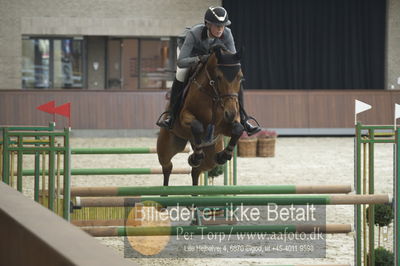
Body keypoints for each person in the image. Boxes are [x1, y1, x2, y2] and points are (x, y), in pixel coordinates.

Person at [157, 6, 261, 136]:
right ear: (207, 24)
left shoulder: (227, 33)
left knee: (234, 79)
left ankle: (244, 119)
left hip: (213, 62)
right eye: (217, 25)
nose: (220, 29)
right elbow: (181, 61)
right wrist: (200, 58)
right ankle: (171, 116)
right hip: (192, 57)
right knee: (180, 73)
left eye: (222, 26)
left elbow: (233, 57)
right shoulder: (194, 33)